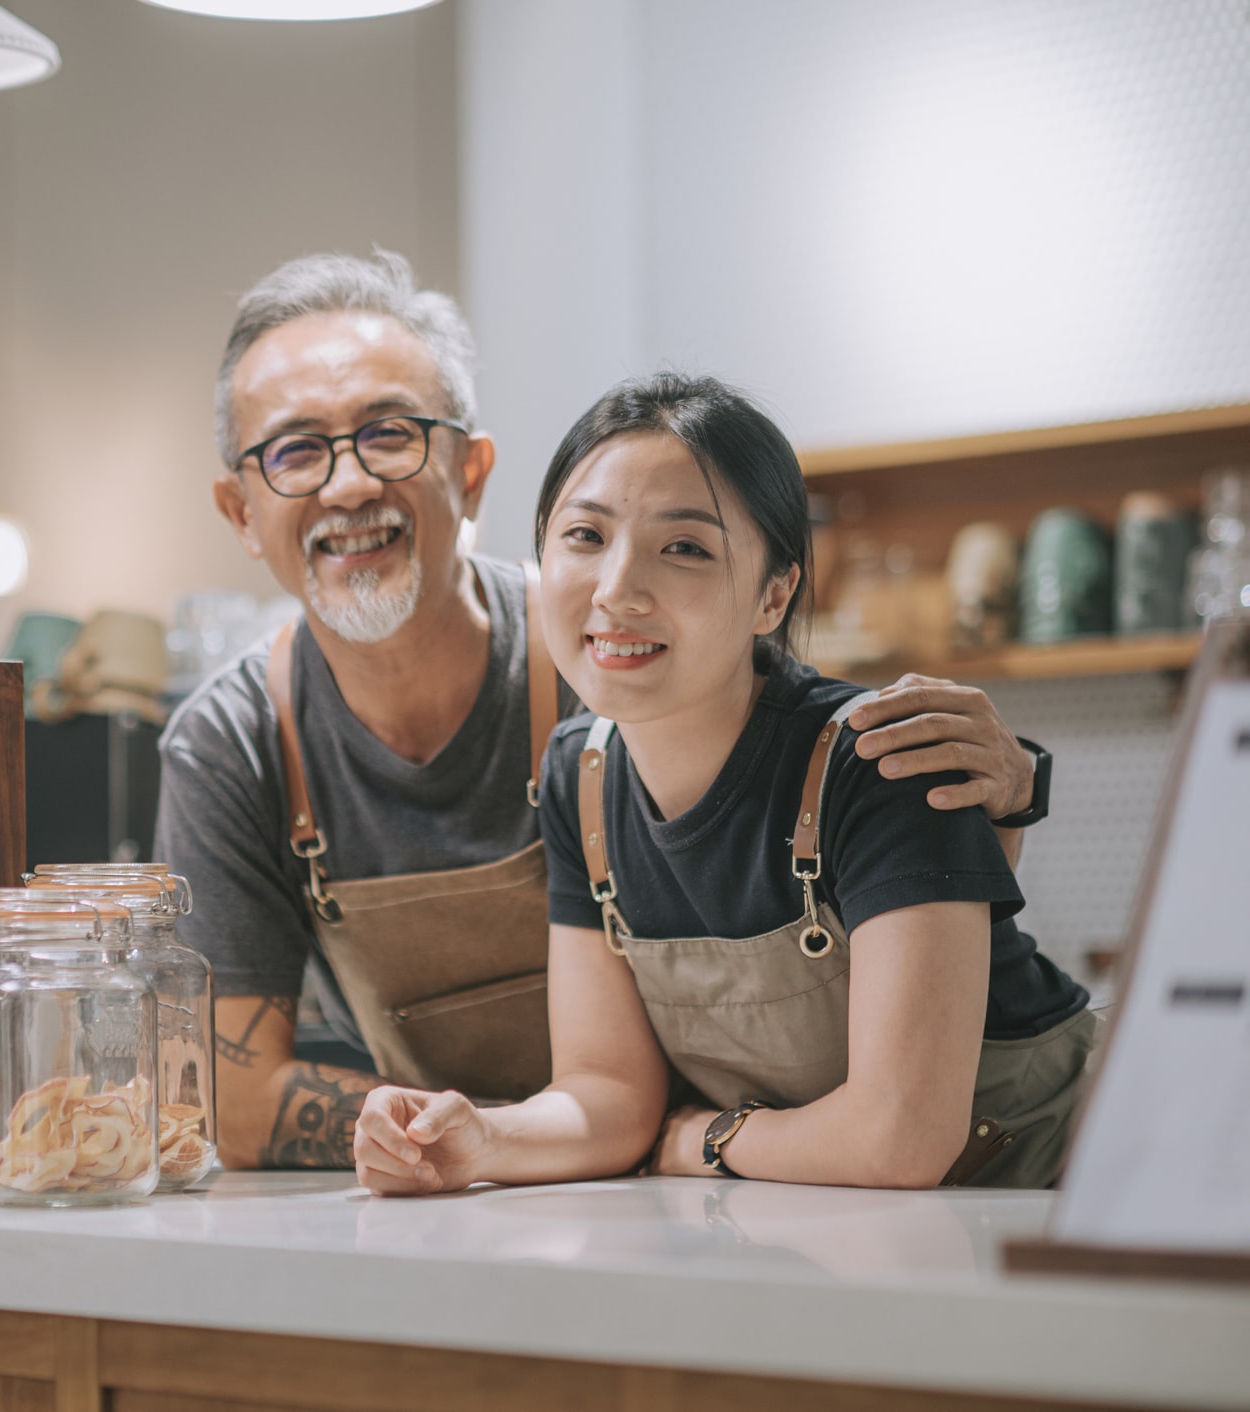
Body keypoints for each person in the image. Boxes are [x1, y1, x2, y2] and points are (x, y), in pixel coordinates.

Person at [154, 253, 1048, 1170]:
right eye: (296, 450)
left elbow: (832, 835)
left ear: (470, 473)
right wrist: (481, 1141)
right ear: (238, 508)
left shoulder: (628, 662)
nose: (346, 485)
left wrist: (1009, 798)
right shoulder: (256, 747)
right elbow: (235, 1095)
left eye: (389, 434)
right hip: (629, 1189)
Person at [352, 373, 1094, 1194]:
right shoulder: (581, 777)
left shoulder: (880, 759)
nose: (616, 590)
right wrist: (479, 1140)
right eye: (584, 536)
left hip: (1075, 1199)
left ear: (773, 594)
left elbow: (901, 1139)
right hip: (844, 1230)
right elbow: (607, 1092)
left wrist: (707, 1138)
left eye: (684, 548)